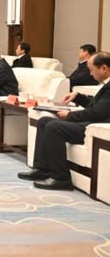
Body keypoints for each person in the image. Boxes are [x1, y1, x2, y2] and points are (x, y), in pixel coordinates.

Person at [18, 52, 110, 190]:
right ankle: (42, 169)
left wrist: (70, 115)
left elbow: (98, 112)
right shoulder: (106, 85)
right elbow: (97, 106)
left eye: (91, 70)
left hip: (97, 128)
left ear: (104, 68)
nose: (90, 74)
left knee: (54, 127)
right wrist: (78, 97)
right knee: (44, 121)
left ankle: (61, 178)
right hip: (92, 122)